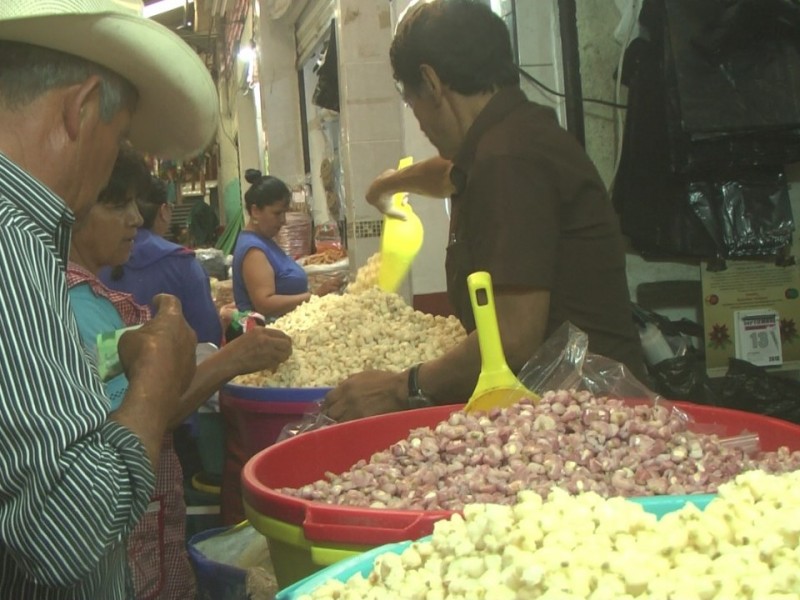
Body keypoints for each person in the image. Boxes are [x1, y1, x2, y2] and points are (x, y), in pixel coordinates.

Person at [323, 0, 646, 422]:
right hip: (569, 404)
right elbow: (449, 174)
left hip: (589, 414)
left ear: (431, 81)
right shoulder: (510, 135)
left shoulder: (507, 158)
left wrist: (403, 387)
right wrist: (389, 185)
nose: (418, 118)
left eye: (411, 100)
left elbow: (513, 339)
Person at [0, 1, 218, 597]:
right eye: (117, 137)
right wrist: (156, 376)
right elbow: (66, 529)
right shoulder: (10, 241)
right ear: (82, 108)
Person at [68, 146, 292, 599]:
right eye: (117, 205)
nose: (136, 218)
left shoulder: (91, 296)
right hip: (115, 538)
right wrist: (232, 360)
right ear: (70, 212)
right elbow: (142, 415)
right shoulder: (75, 305)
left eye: (135, 204)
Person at [101, 175, 224, 345]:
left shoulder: (96, 261)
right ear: (164, 211)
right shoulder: (183, 264)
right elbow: (208, 339)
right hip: (177, 370)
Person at [232, 169, 339, 319]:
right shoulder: (253, 250)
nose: (283, 221)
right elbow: (265, 304)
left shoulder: (266, 241)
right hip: (267, 334)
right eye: (277, 213)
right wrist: (314, 296)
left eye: (285, 213)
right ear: (255, 211)